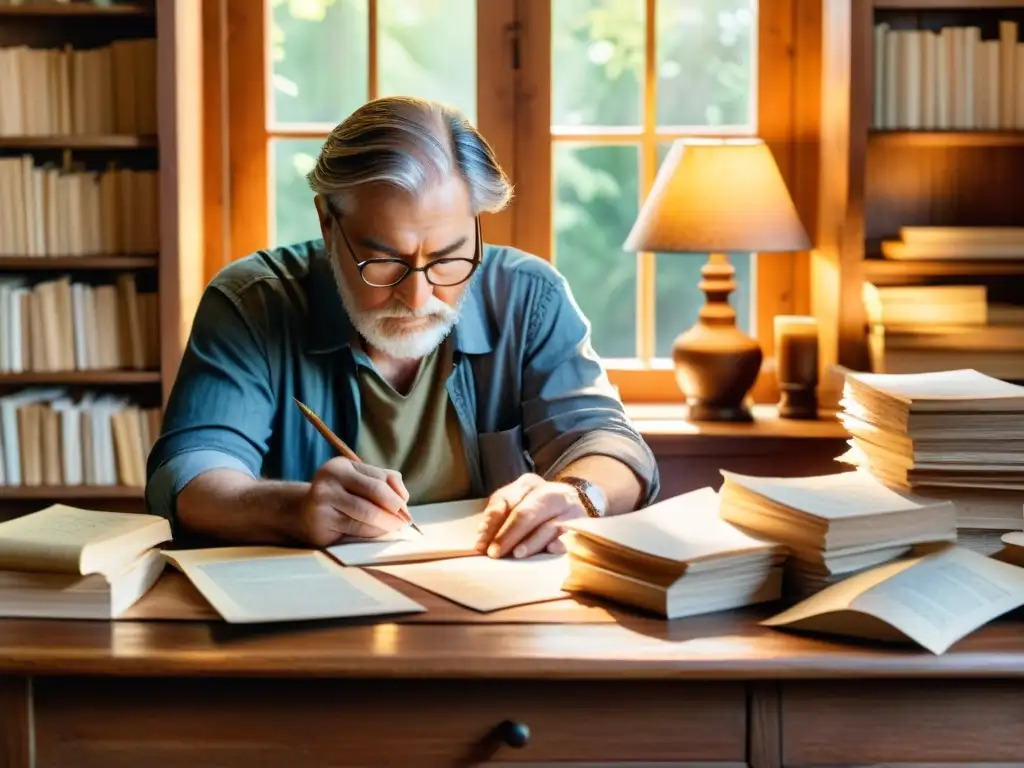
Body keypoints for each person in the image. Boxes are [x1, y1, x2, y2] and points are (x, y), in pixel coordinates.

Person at [146, 96, 660, 559]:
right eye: (384, 261)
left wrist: (577, 495)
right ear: (327, 223)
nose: (418, 296)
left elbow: (610, 443)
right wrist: (292, 508)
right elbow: (189, 474)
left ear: (476, 225)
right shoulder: (252, 303)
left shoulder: (530, 296)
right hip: (312, 619)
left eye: (448, 257)